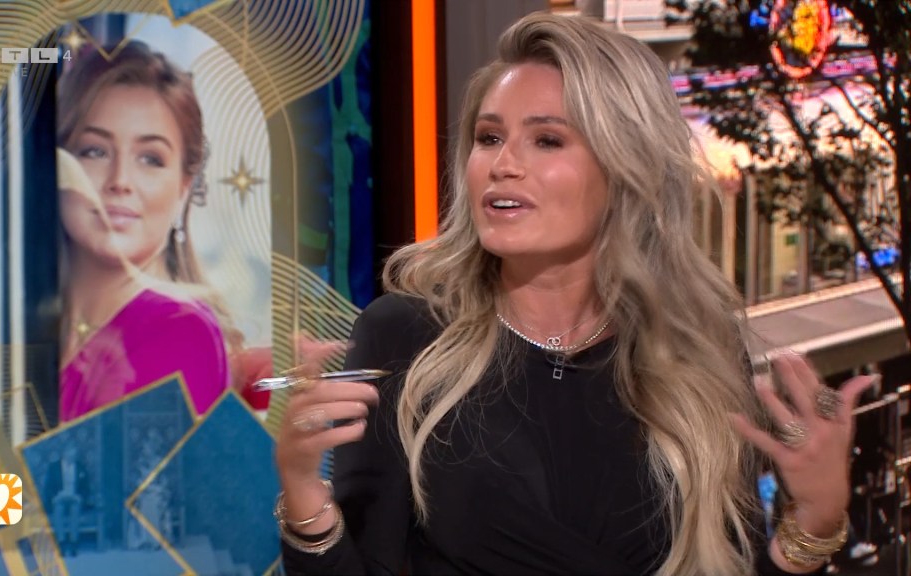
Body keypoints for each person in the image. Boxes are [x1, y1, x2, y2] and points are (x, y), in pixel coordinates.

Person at [272, 13, 874, 576]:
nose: (503, 165)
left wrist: (814, 521)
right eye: (488, 137)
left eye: (547, 141)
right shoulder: (404, 335)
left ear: (625, 166)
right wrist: (304, 498)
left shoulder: (699, 351)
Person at [55, 41, 234, 421]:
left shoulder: (180, 331)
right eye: (95, 151)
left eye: (150, 159)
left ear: (184, 188)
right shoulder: (15, 319)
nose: (120, 181)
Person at [45, 444, 90, 556]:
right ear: (64, 453)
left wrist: (81, 497)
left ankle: (74, 542)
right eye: (71, 453)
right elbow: (48, 486)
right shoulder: (54, 467)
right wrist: (53, 497)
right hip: (59, 497)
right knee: (58, 509)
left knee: (75, 509)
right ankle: (61, 542)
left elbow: (86, 487)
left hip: (74, 497)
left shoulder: (80, 467)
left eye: (74, 454)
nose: (73, 456)